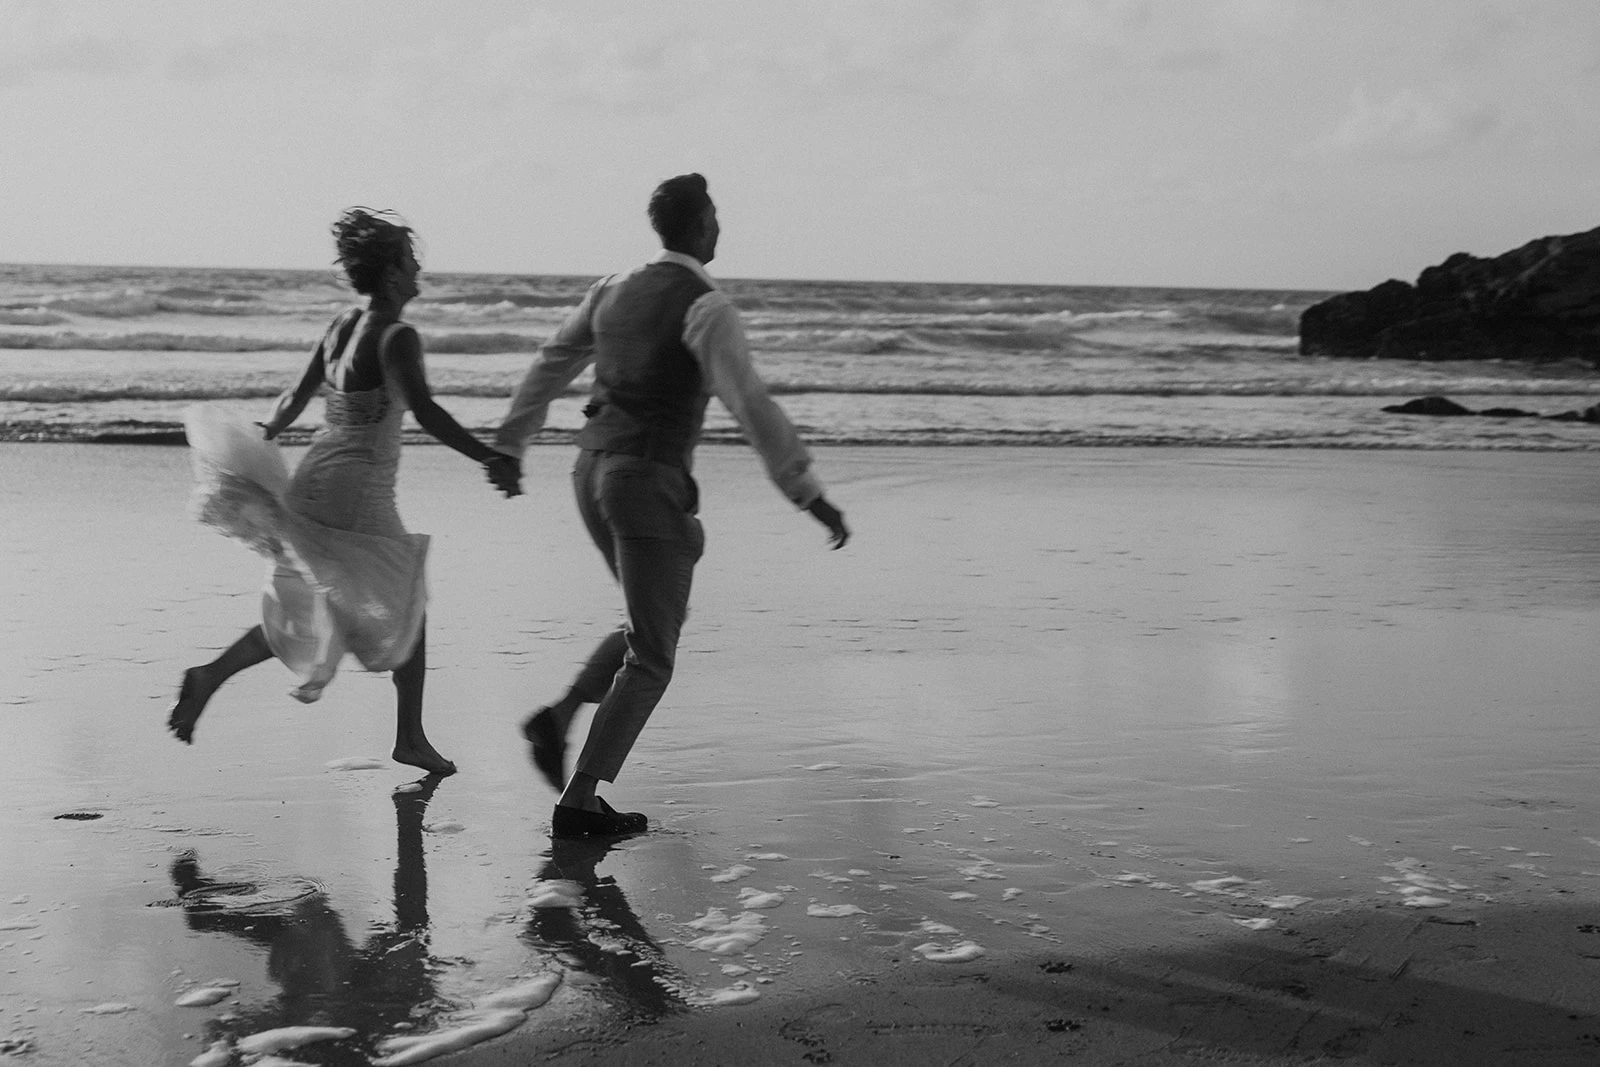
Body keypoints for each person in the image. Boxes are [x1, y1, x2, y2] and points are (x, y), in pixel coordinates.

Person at [491, 173, 850, 837]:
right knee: (653, 653)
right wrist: (807, 493)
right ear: (699, 225)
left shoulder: (612, 288)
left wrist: (512, 442)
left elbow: (551, 360)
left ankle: (563, 714)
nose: (720, 227)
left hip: (589, 471)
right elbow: (751, 403)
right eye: (715, 216)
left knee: (643, 626)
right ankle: (578, 799)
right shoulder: (707, 306)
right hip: (645, 478)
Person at [168, 208, 520, 776]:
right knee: (404, 594)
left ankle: (211, 674)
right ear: (389, 273)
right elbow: (425, 411)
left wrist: (266, 436)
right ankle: (410, 737)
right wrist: (491, 459)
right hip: (360, 488)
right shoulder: (398, 337)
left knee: (317, 599)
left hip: (315, 476)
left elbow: (293, 398)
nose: (417, 268)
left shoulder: (340, 326)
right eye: (409, 260)